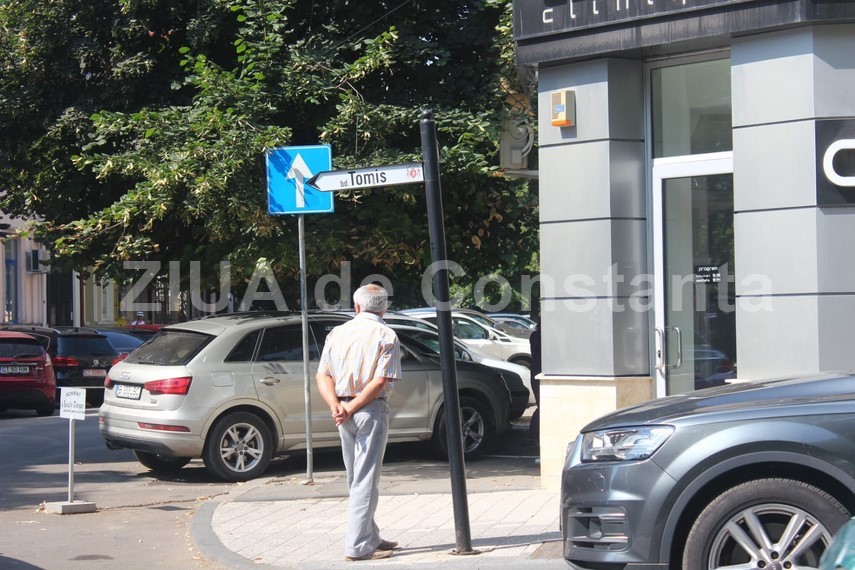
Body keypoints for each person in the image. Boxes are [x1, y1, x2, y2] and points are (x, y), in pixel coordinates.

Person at [316, 284, 402, 562]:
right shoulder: (386, 334)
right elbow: (381, 380)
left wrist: (337, 406)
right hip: (370, 410)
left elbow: (323, 375)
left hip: (343, 410)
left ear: (357, 307)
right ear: (384, 308)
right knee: (365, 479)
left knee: (356, 478)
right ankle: (358, 546)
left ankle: (370, 535)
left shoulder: (337, 333)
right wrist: (351, 407)